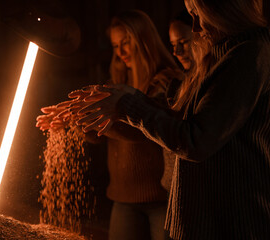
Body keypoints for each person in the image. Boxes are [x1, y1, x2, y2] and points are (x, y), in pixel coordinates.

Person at [73, 0, 270, 239]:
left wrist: (125, 105)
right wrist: (122, 98)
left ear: (225, 10)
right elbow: (178, 116)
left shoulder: (248, 54)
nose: (196, 28)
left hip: (234, 219)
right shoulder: (219, 56)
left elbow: (194, 139)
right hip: (205, 216)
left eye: (198, 14)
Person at [37, 9, 183, 240]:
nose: (121, 51)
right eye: (116, 46)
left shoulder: (166, 82)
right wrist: (72, 121)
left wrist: (94, 116)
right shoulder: (116, 83)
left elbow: (140, 132)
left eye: (126, 42)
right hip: (122, 198)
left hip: (160, 198)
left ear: (144, 40)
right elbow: (99, 135)